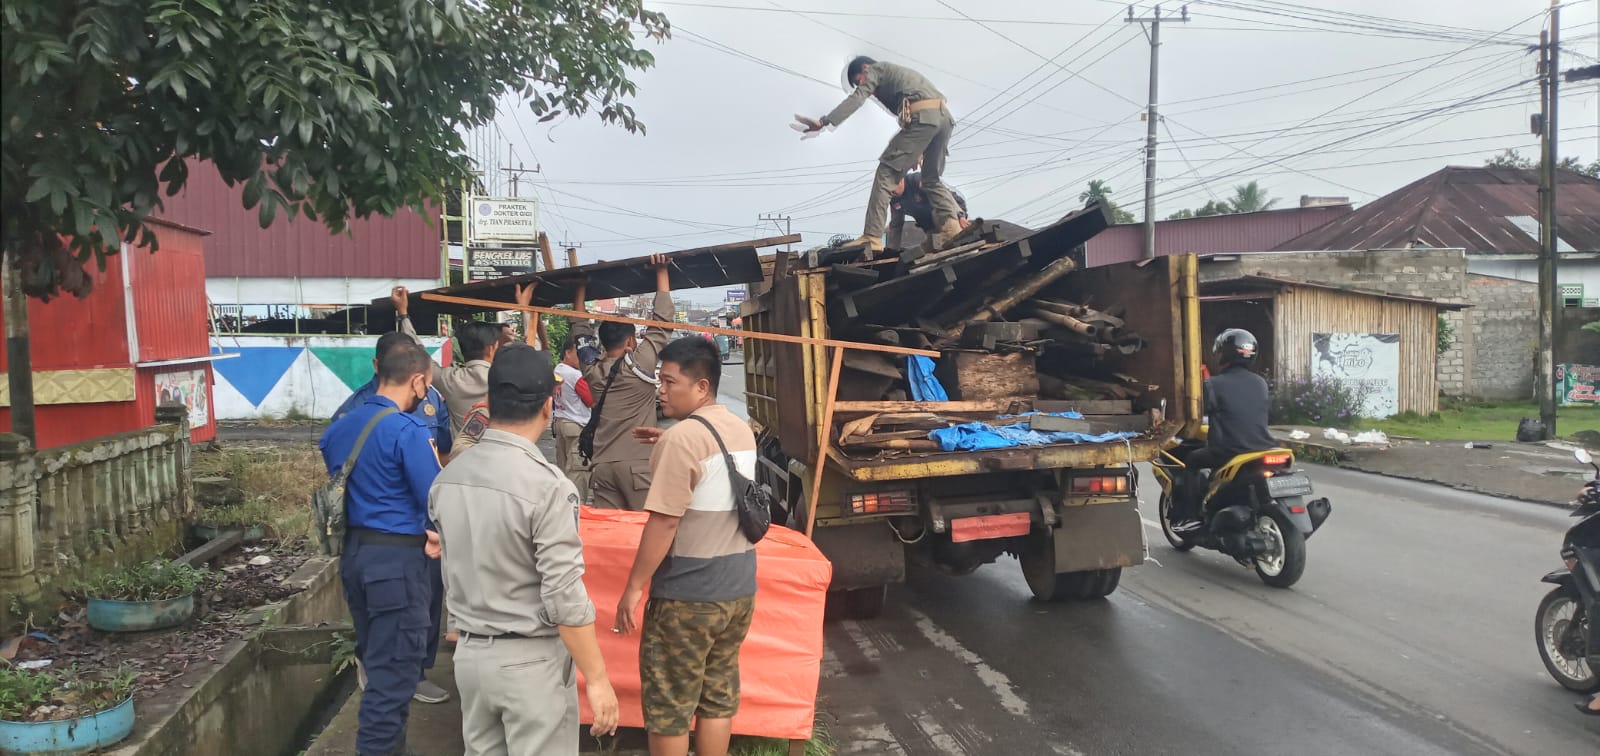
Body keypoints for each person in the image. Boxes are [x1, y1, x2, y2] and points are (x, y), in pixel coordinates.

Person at [430, 344, 620, 754]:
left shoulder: (448, 478)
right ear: (549, 406)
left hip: (471, 657)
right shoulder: (548, 487)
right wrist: (598, 678)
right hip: (530, 664)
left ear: (491, 400)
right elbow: (565, 598)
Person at [614, 337, 758, 756]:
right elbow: (713, 470)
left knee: (670, 706)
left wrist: (634, 586)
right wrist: (666, 441)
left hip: (688, 595)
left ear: (701, 387)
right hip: (738, 588)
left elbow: (664, 521)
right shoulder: (738, 427)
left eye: (669, 381)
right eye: (660, 381)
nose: (661, 390)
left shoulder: (682, 440)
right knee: (716, 697)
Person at [318, 340, 445, 756]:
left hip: (356, 556)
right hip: (397, 565)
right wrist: (435, 533)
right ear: (419, 381)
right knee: (393, 682)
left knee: (377, 666)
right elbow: (434, 499)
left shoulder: (341, 426)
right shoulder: (406, 431)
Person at [794, 56, 964, 255]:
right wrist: (918, 149)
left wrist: (824, 122)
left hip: (924, 118)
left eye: (859, 81)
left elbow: (858, 98)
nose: (865, 87)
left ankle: (872, 236)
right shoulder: (901, 76)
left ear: (865, 68)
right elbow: (923, 108)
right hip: (944, 120)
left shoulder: (876, 70)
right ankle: (952, 229)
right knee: (931, 180)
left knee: (886, 173)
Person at [570, 254, 674, 510]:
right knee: (644, 532)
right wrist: (661, 271)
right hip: (638, 467)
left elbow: (580, 331)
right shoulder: (638, 365)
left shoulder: (592, 369)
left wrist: (580, 288)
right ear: (630, 342)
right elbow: (661, 323)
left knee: (615, 538)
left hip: (603, 468)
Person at [394, 284, 539, 439]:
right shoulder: (508, 376)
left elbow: (417, 351)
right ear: (492, 348)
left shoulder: (450, 379)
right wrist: (524, 310)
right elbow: (533, 353)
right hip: (501, 454)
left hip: (462, 456)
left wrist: (403, 314)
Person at [1182, 328, 1278, 520]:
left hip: (1229, 451)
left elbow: (1196, 415)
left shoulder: (1213, 384)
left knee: (1191, 462)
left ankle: (1189, 515)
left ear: (1223, 353)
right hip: (1263, 448)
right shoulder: (1260, 383)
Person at [333, 332, 452, 459]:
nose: (402, 369)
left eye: (409, 361)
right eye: (395, 363)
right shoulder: (352, 410)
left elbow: (443, 449)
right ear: (376, 365)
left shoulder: (429, 396)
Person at [553, 337, 596, 501]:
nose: (583, 359)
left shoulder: (558, 370)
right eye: (578, 354)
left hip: (561, 422)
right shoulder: (575, 375)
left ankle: (562, 504)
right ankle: (575, 506)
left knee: (564, 469)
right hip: (576, 425)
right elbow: (591, 400)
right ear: (567, 353)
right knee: (578, 471)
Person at [888, 170, 970, 252]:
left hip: (951, 212)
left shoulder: (917, 180)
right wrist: (892, 250)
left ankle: (952, 233)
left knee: (951, 234)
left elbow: (944, 196)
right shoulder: (894, 200)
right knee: (927, 250)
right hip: (930, 226)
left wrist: (960, 215)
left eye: (894, 186)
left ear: (901, 179)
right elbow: (896, 225)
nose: (892, 191)